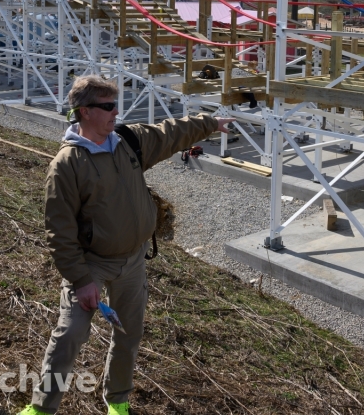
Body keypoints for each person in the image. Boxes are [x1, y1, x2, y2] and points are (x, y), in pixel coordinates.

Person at [19, 76, 233, 415]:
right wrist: (81, 280)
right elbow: (59, 231)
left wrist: (208, 123)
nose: (115, 112)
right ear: (84, 112)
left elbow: (169, 133)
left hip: (133, 261)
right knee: (71, 333)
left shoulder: (128, 142)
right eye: (107, 107)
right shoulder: (67, 164)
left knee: (129, 333)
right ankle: (42, 408)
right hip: (92, 264)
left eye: (115, 105)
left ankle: (117, 400)